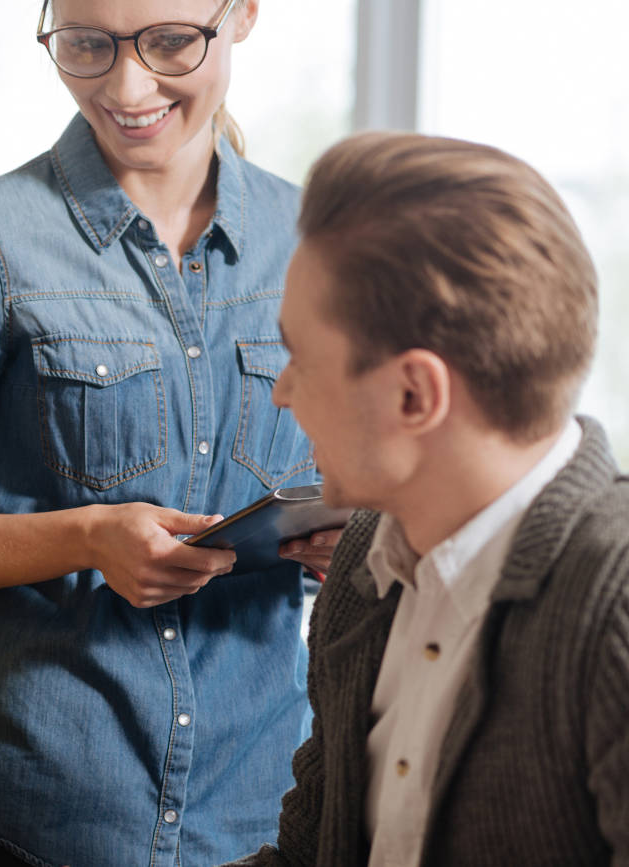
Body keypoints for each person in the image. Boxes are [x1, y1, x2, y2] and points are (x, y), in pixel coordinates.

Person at [0, 1, 341, 864]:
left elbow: (359, 478)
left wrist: (345, 537)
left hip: (268, 801)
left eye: (171, 42)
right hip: (52, 804)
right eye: (86, 46)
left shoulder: (313, 240)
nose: (126, 86)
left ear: (242, 15)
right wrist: (88, 537)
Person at [226, 131, 629, 867]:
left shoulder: (613, 610)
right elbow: (310, 853)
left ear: (414, 393)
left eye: (300, 359)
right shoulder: (364, 561)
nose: (282, 392)